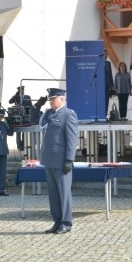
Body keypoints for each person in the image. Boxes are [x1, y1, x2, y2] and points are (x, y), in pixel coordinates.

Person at [40, 88, 79, 234]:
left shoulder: (68, 115)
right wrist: (39, 107)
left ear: (62, 99)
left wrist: (69, 159)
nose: (50, 101)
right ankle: (57, 221)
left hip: (61, 160)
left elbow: (72, 139)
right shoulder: (50, 114)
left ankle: (66, 222)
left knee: (64, 192)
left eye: (53, 99)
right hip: (49, 159)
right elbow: (40, 124)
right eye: (50, 99)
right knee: (53, 193)